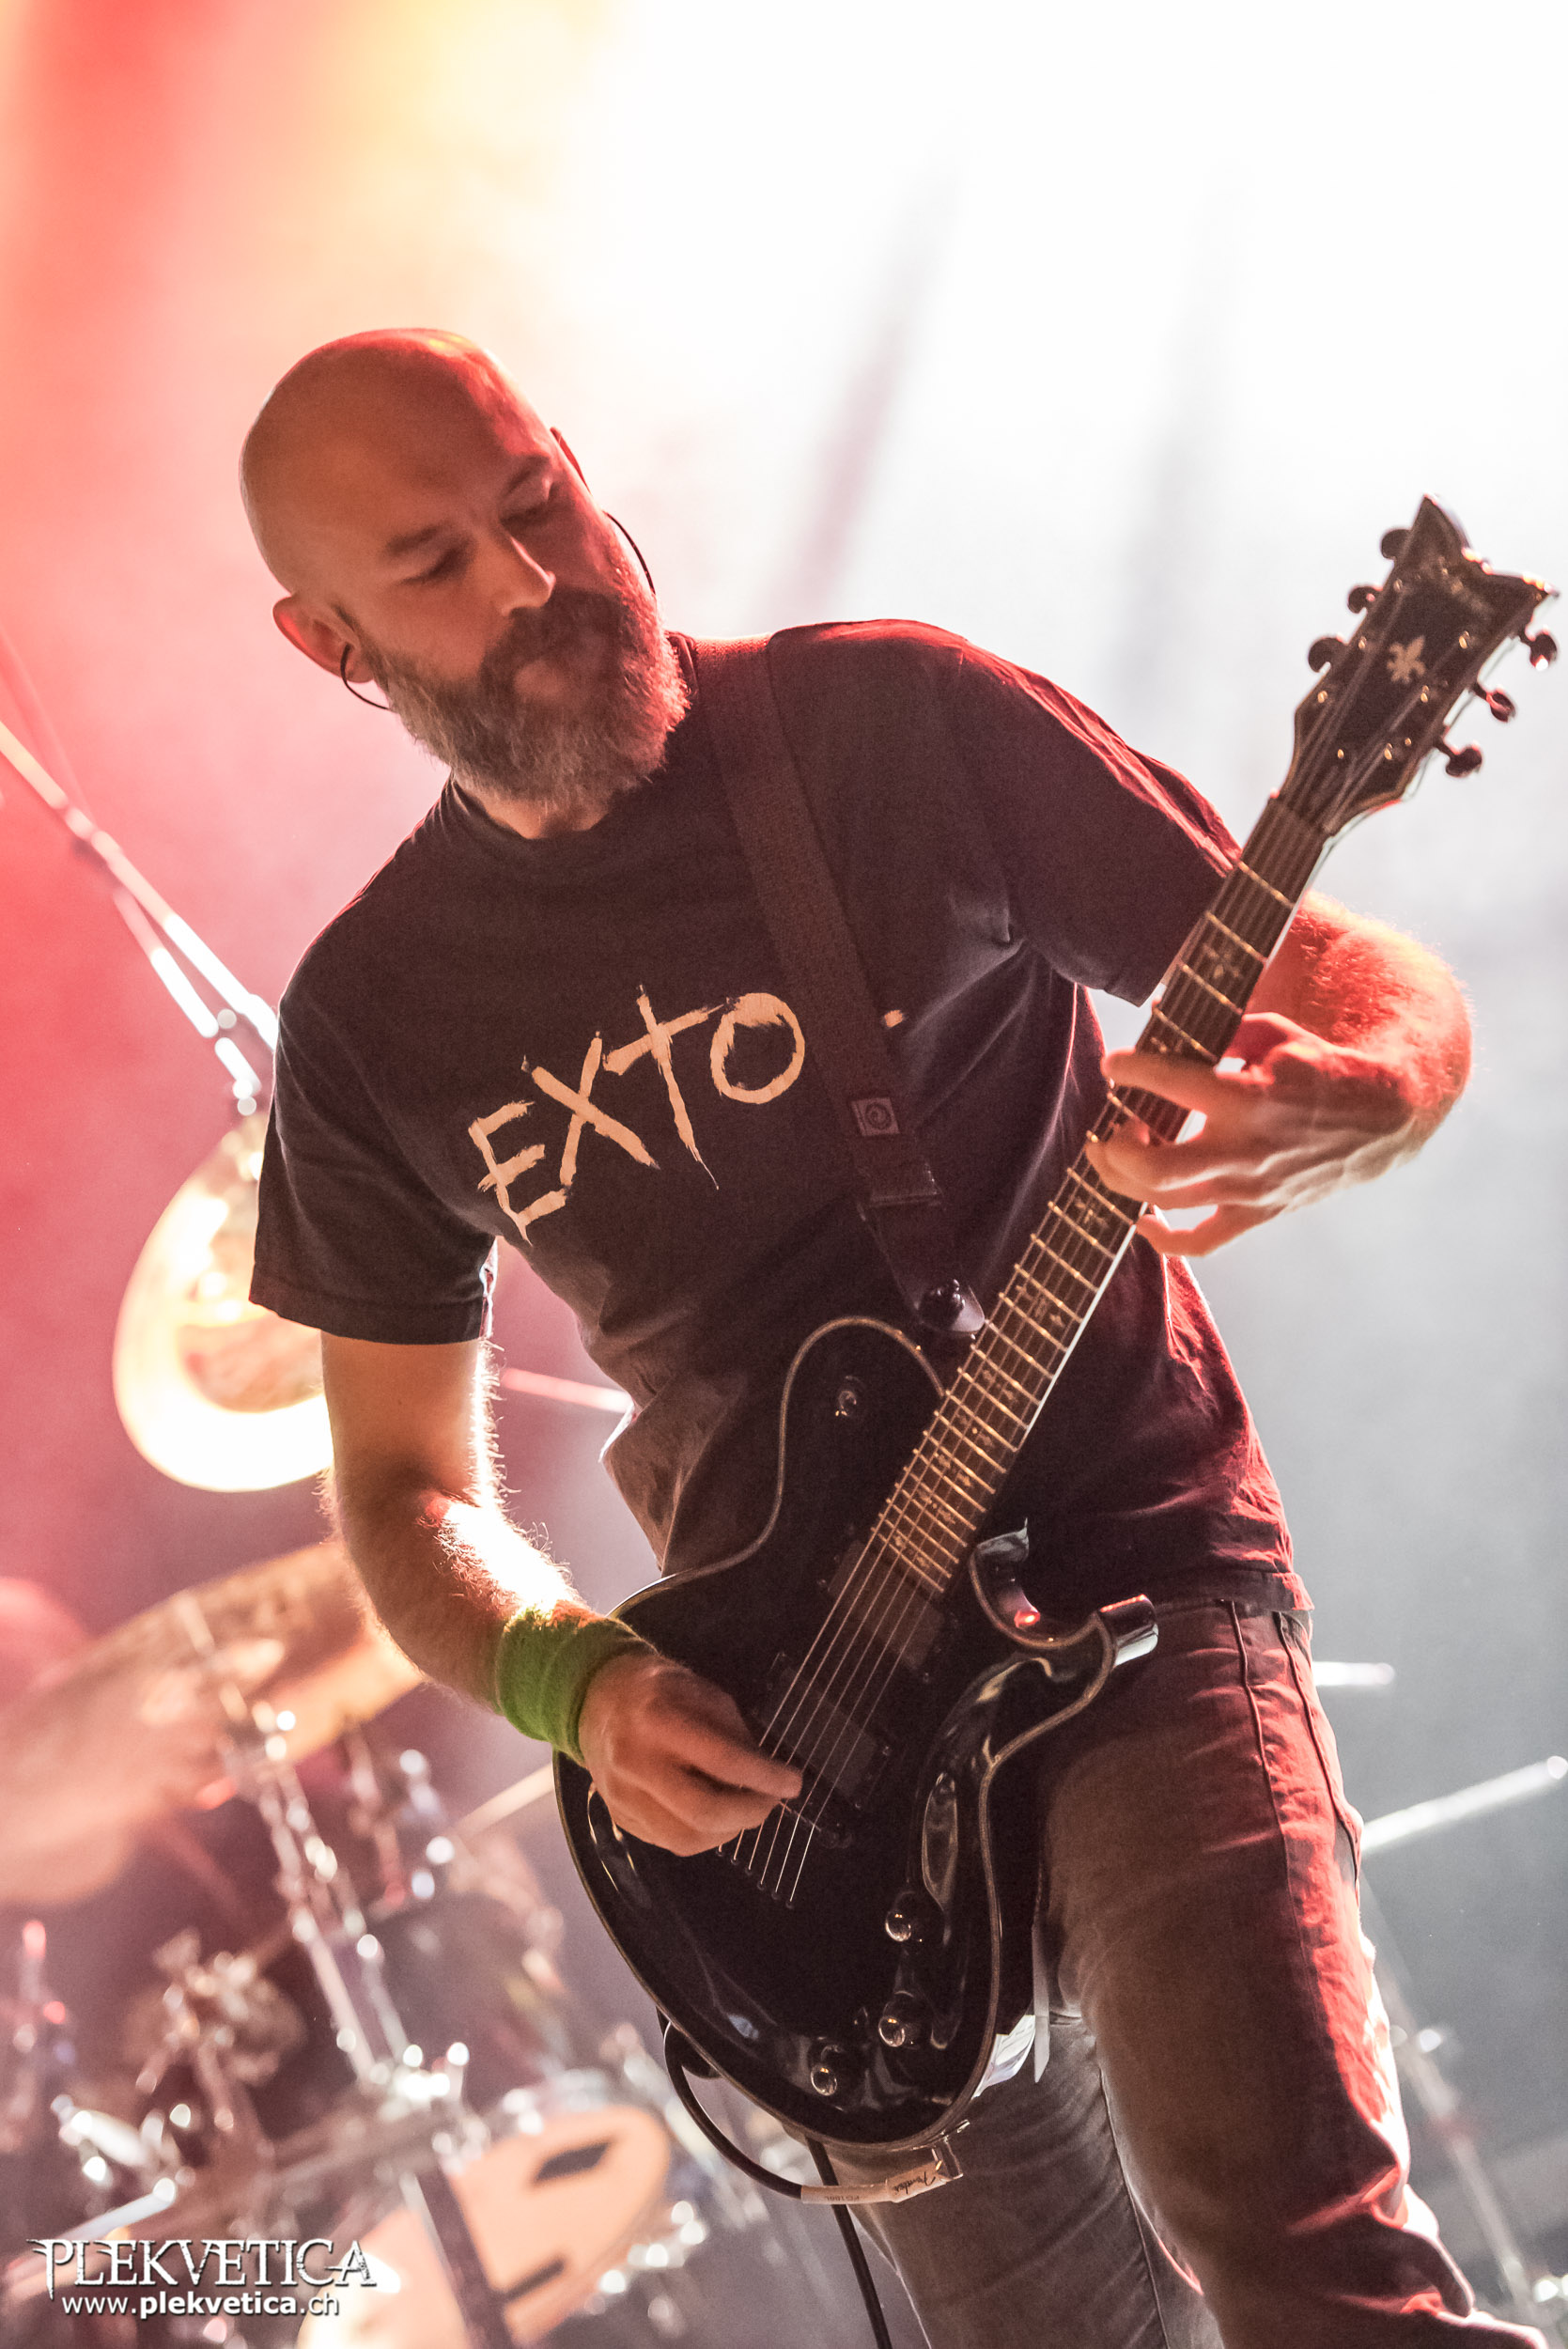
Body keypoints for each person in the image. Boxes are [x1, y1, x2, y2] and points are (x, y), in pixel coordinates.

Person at [239, 329, 1539, 2347]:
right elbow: (401, 1493)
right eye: (436, 564)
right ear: (329, 642)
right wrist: (573, 1678)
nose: (533, 579)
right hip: (808, 1758)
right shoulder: (375, 1018)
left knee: (1300, 2263)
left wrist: (1376, 1084)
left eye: (537, 500)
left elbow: (1338, 971)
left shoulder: (888, 724)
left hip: (1128, 1581)